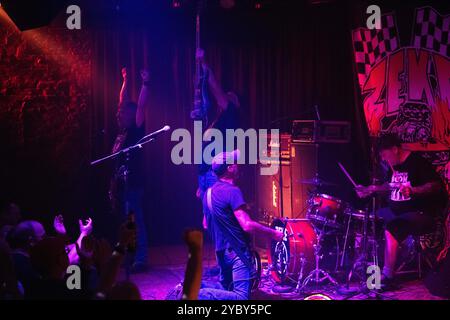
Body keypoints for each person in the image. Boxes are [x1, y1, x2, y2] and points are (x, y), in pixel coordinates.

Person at [356, 133, 448, 290]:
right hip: (396, 211)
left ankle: (388, 276)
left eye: (385, 155)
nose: (384, 160)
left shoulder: (418, 162)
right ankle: (369, 273)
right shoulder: (395, 166)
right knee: (371, 220)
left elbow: (435, 186)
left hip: (421, 214)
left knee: (394, 226)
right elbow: (390, 186)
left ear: (395, 149)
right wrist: (371, 189)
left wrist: (413, 190)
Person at [199, 150, 283, 300]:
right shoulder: (233, 191)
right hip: (236, 252)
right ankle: (198, 292)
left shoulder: (208, 193)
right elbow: (247, 225)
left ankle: (196, 288)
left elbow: (205, 224)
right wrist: (273, 233)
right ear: (230, 168)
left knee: (226, 290)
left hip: (220, 252)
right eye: (235, 163)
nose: (238, 166)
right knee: (241, 297)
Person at [109, 67, 150, 273]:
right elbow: (121, 100)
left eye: (124, 111)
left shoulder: (135, 128)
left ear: (131, 115)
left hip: (133, 183)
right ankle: (127, 256)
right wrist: (125, 80)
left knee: (136, 219)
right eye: (120, 111)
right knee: (125, 221)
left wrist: (145, 84)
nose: (119, 113)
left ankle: (141, 258)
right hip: (120, 184)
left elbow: (141, 105)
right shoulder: (122, 130)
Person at [194, 48, 242, 199]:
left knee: (215, 216)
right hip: (205, 173)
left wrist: (204, 64)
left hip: (215, 175)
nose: (225, 98)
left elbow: (214, 88)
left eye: (229, 97)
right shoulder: (216, 119)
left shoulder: (231, 113)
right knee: (207, 217)